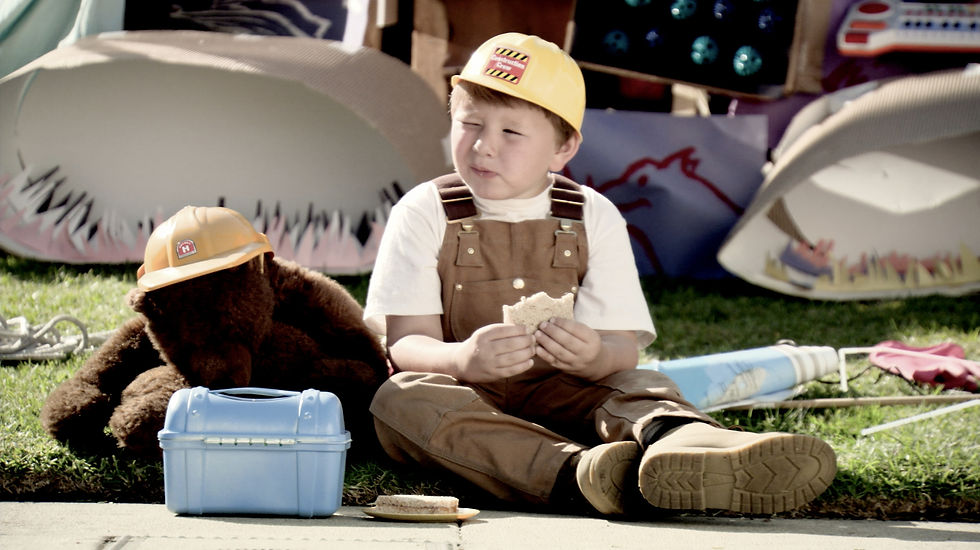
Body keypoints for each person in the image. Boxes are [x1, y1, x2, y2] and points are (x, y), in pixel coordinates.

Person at [364, 32, 836, 516]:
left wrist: (594, 355)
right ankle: (581, 475)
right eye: (471, 124)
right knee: (398, 400)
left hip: (567, 391)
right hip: (465, 396)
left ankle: (690, 445)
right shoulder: (425, 211)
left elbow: (620, 347)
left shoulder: (592, 215)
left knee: (640, 382)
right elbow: (406, 344)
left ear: (563, 146)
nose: (484, 146)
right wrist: (464, 359)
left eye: (512, 133)